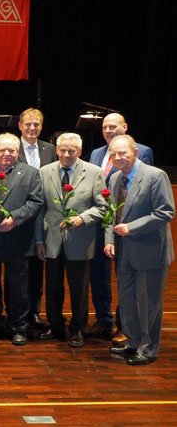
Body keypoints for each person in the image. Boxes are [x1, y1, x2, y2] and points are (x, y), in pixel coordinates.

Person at [104, 134, 173, 365]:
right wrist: (110, 240)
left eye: (123, 153)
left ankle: (149, 348)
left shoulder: (155, 176)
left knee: (148, 303)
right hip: (123, 251)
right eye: (113, 154)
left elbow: (165, 212)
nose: (118, 157)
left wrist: (131, 228)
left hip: (150, 251)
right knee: (126, 300)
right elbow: (111, 214)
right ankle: (133, 341)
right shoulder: (115, 178)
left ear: (134, 152)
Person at [35, 133, 107, 348]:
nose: (67, 154)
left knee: (79, 289)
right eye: (63, 150)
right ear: (56, 150)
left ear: (80, 151)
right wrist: (39, 241)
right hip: (52, 241)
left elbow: (103, 207)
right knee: (52, 287)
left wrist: (83, 218)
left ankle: (78, 329)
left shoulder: (94, 172)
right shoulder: (44, 172)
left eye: (71, 150)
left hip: (80, 241)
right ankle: (55, 326)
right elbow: (40, 209)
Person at [86, 113, 154, 343]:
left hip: (126, 226)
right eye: (105, 127)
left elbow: (142, 190)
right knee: (99, 275)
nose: (108, 130)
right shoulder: (96, 153)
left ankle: (125, 325)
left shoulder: (142, 151)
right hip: (100, 224)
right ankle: (103, 320)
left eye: (113, 126)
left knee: (125, 278)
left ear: (125, 127)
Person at [0, 133, 43, 346]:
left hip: (18, 239)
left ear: (17, 152)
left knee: (19, 287)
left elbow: (36, 201)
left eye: (11, 150)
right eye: (2, 150)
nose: (6, 153)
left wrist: (15, 218)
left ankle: (18, 326)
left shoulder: (31, 173)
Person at [16, 108, 56, 332]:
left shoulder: (49, 149)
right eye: (28, 124)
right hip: (19, 214)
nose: (32, 128)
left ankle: (35, 311)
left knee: (37, 268)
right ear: (20, 126)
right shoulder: (11, 146)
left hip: (43, 215)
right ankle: (16, 311)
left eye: (36, 124)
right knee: (18, 269)